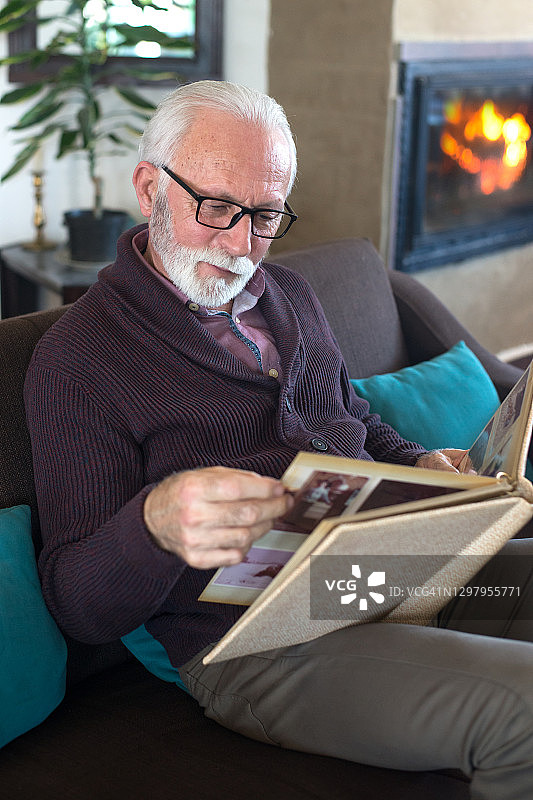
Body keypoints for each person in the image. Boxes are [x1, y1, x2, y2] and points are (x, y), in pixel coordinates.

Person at [24, 80, 533, 799]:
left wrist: (414, 460)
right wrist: (154, 523)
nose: (239, 243)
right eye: (216, 207)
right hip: (254, 644)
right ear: (149, 188)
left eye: (264, 216)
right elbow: (77, 604)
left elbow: (351, 415)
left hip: (380, 563)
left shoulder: (289, 296)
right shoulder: (79, 361)